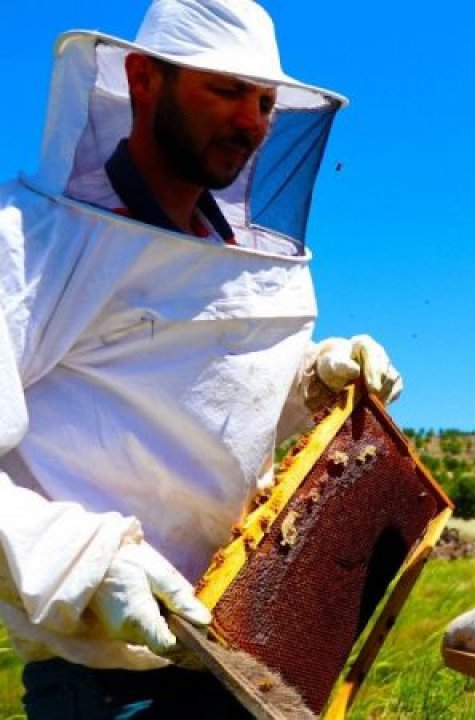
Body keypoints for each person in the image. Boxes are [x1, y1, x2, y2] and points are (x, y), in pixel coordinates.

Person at [0, 1, 401, 717]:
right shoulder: (33, 240)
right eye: (225, 91)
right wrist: (86, 563)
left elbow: (212, 412)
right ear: (143, 78)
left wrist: (312, 380)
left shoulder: (236, 258)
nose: (252, 122)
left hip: (252, 657)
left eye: (267, 102)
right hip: (111, 682)